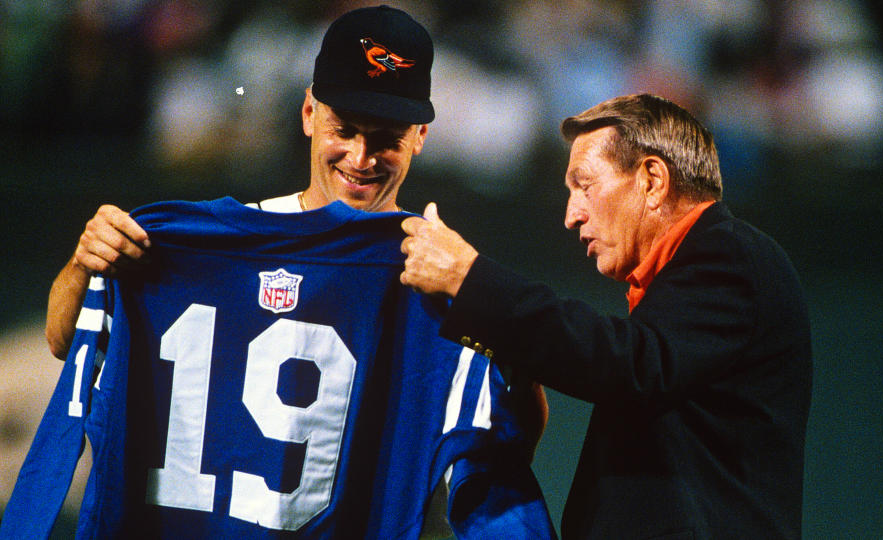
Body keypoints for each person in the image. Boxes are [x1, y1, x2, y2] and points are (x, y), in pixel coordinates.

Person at [29, 5, 550, 538]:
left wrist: (502, 327)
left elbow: (508, 446)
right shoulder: (199, 248)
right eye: (344, 129)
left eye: (387, 139)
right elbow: (61, 340)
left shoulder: (442, 273)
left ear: (419, 137)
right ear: (308, 114)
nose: (361, 157)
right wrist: (82, 264)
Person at [400, 93, 813, 539]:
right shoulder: (685, 286)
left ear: (652, 180)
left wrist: (470, 280)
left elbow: (631, 364)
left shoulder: (733, 255)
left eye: (585, 184)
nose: (571, 216)